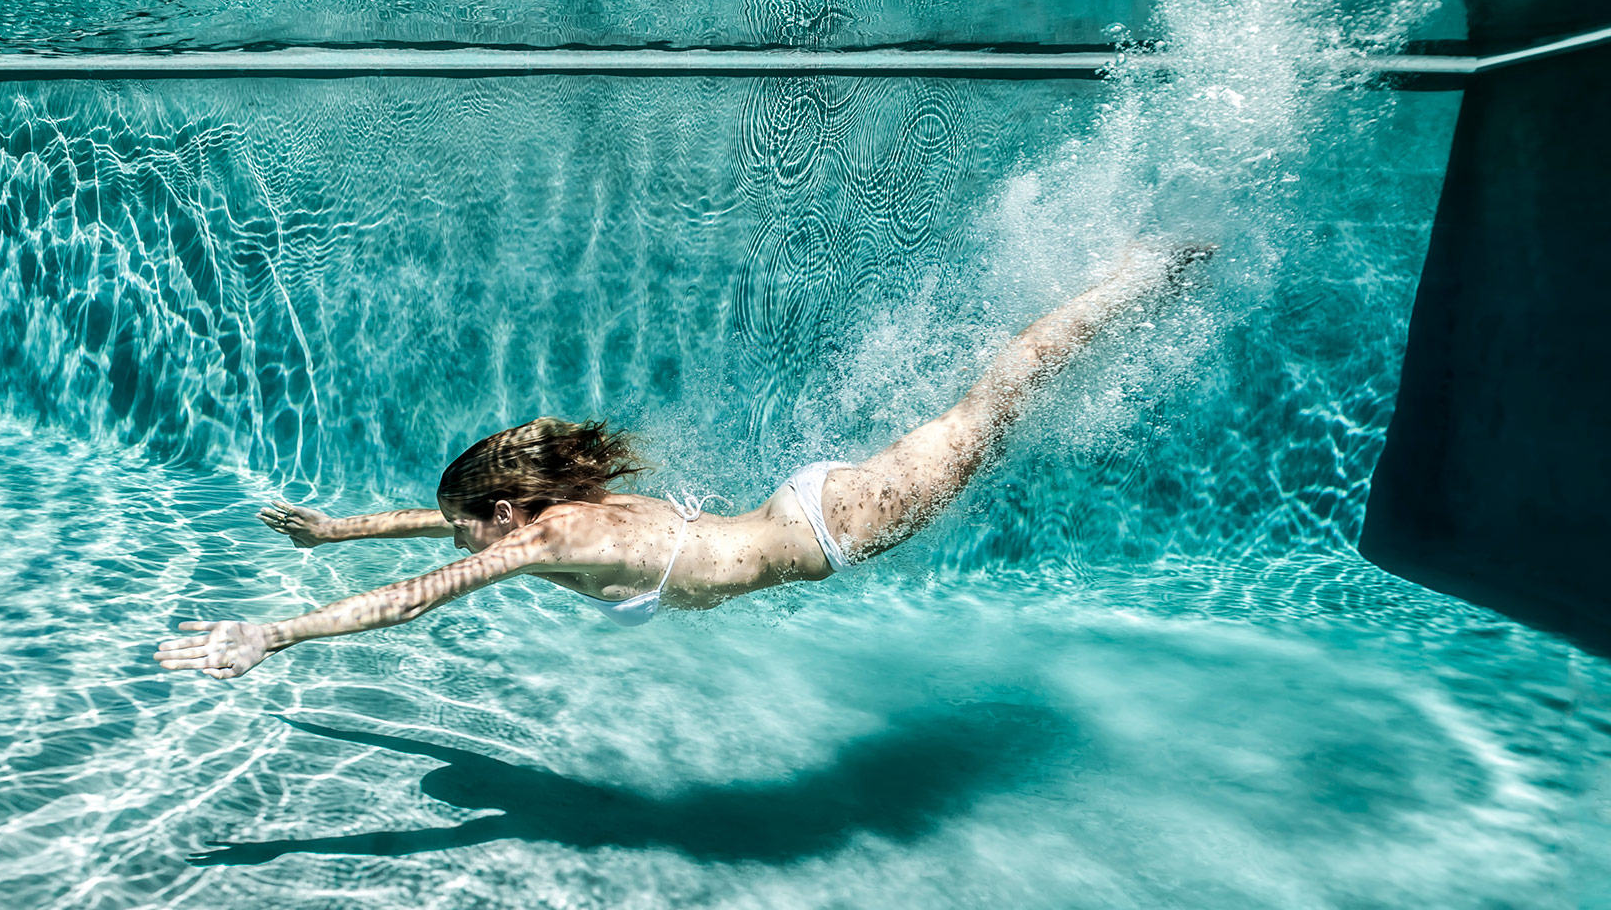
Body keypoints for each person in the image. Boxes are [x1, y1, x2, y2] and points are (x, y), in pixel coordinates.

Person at [155, 242, 1209, 679]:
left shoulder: (550, 537)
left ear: (508, 517)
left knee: (999, 403)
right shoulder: (562, 521)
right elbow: (439, 534)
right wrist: (337, 530)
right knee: (988, 407)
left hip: (833, 522)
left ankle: (1137, 278)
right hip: (808, 505)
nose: (477, 541)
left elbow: (422, 593)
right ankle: (1127, 285)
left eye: (479, 525)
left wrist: (278, 633)